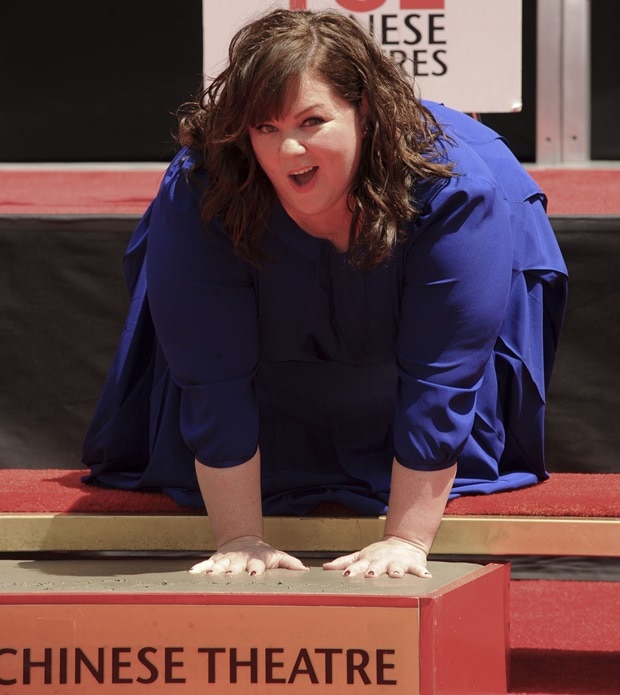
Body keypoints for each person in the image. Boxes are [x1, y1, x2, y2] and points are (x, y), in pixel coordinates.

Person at [82, 8, 567, 579]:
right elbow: (211, 371)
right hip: (250, 367)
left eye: (311, 121)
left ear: (363, 110)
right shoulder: (204, 183)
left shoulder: (454, 186)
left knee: (432, 431)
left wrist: (406, 541)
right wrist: (240, 537)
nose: (289, 151)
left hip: (448, 261)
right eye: (265, 128)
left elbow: (443, 374)